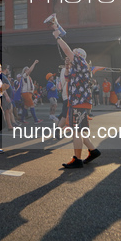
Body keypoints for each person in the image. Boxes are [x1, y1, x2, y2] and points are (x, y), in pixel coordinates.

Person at [52, 29, 101, 168]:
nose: (71, 56)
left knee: (76, 131)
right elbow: (67, 79)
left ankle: (77, 159)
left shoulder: (80, 61)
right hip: (82, 103)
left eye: (73, 55)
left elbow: (67, 50)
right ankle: (93, 151)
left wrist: (58, 38)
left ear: (78, 56)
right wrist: (67, 67)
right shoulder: (79, 67)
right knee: (80, 130)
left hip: (78, 103)